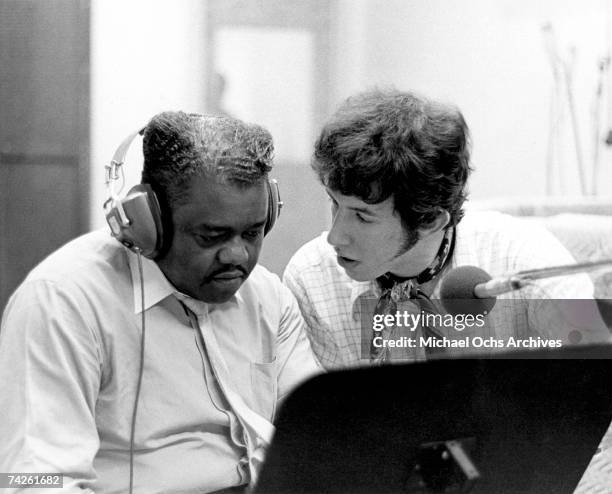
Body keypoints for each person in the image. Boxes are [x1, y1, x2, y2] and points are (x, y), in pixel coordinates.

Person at [0, 111, 320, 493]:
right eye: (212, 236)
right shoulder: (63, 302)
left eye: (252, 232)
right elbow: (33, 480)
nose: (237, 255)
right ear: (146, 222)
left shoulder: (267, 298)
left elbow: (314, 441)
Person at [283, 88, 610, 370]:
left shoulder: (526, 260)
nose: (335, 236)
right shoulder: (312, 279)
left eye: (363, 217)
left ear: (430, 220)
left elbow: (598, 397)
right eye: (334, 203)